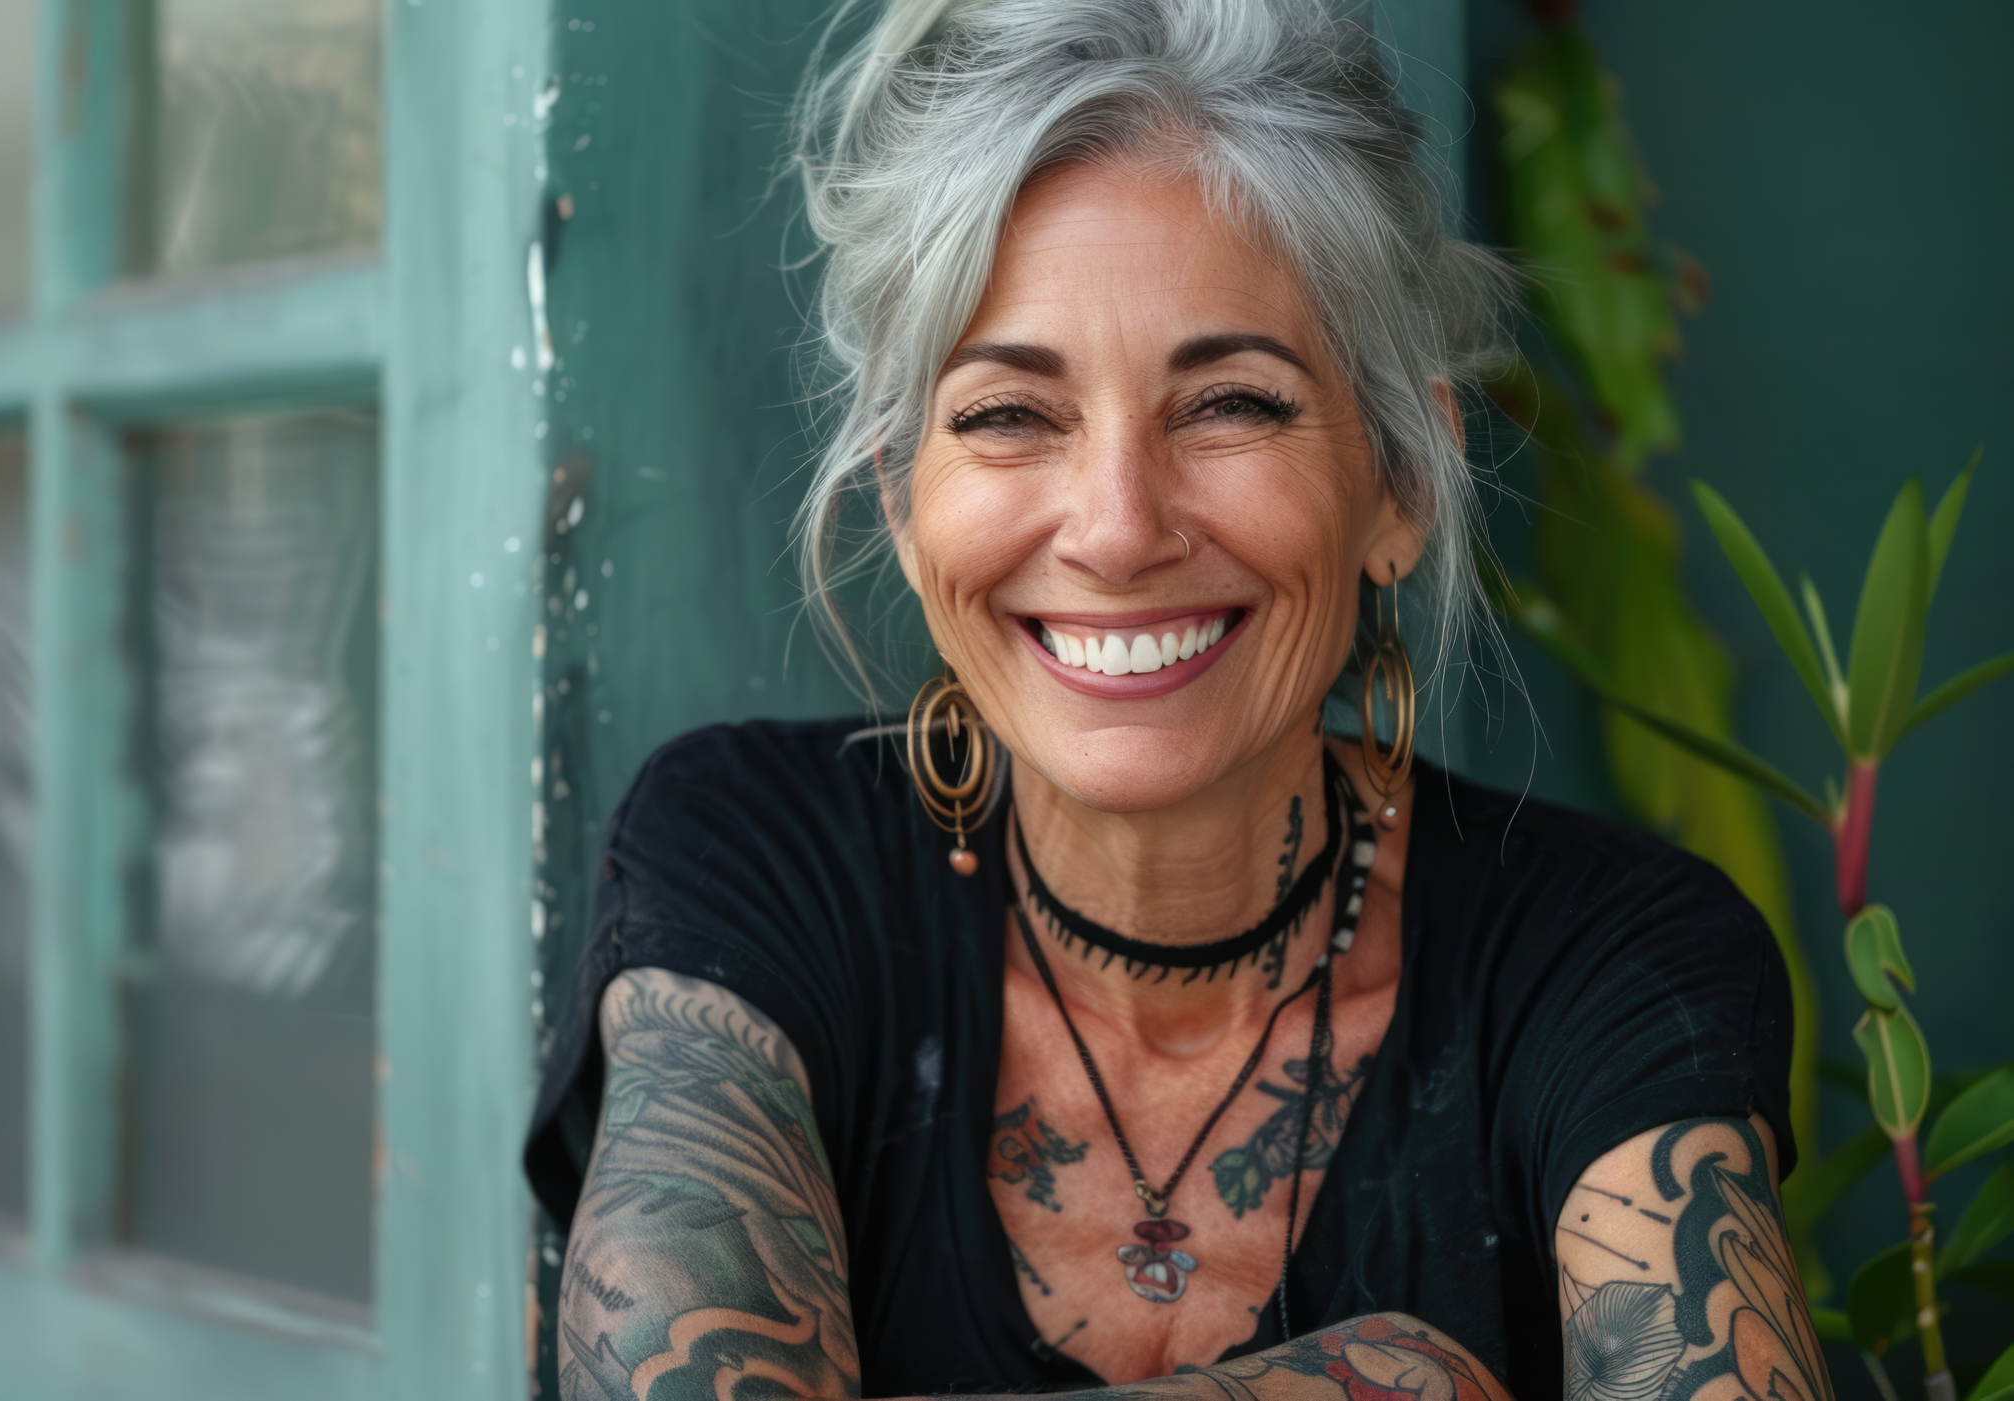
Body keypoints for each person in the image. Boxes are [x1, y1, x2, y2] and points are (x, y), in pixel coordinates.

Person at [524, 1, 1823, 1397]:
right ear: (904, 502)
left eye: (1232, 406)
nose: (1119, 528)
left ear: (1398, 482)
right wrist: (1394, 1380)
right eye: (1008, 415)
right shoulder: (751, 860)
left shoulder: (1606, 962)